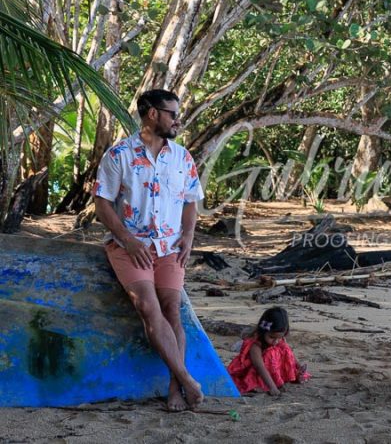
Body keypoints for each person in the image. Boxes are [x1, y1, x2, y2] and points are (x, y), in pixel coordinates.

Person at [93, 89, 204, 411]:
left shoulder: (182, 156)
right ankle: (187, 379)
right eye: (172, 114)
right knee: (148, 307)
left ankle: (175, 388)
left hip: (170, 246)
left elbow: (190, 200)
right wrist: (127, 239)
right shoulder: (119, 154)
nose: (177, 120)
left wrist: (189, 235)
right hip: (130, 246)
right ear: (152, 114)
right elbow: (102, 203)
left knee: (173, 309)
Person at [227, 307, 310, 395]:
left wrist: (298, 366)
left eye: (279, 337)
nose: (276, 341)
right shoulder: (255, 345)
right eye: (272, 337)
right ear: (263, 331)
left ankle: (286, 377)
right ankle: (267, 384)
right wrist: (272, 387)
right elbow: (260, 367)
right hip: (259, 375)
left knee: (284, 347)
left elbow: (289, 354)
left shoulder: (278, 339)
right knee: (270, 354)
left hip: (274, 371)